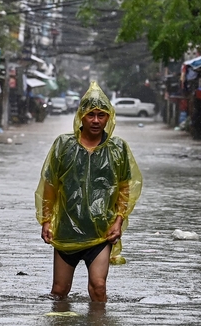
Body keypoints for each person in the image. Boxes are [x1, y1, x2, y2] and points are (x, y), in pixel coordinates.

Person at [35, 81, 143, 303]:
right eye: (91, 114)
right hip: (66, 230)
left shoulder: (118, 148)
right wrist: (46, 220)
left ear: (108, 118)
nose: (96, 120)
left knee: (98, 287)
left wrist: (118, 221)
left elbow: (125, 188)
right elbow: (50, 185)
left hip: (101, 233)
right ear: (81, 116)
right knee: (59, 291)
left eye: (101, 115)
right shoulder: (63, 145)